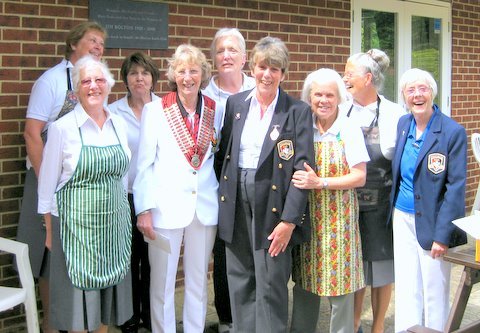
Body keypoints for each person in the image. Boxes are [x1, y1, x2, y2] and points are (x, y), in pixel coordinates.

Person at [215, 36, 314, 333]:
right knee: (241, 278)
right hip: (235, 201)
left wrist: (289, 221)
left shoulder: (297, 111)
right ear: (253, 68)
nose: (267, 74)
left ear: (283, 74)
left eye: (274, 68)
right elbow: (224, 158)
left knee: (270, 282)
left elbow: (303, 170)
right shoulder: (235, 104)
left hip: (273, 206)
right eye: (262, 67)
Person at [17, 21, 107, 333]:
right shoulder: (51, 81)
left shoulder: (94, 84)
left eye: (101, 45)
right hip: (49, 182)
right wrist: (50, 183)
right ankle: (51, 325)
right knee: (47, 255)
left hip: (81, 185)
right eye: (93, 41)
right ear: (73, 44)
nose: (98, 48)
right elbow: (32, 135)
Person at [37, 55, 132, 332]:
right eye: (86, 81)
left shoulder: (119, 125)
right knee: (80, 312)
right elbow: (46, 187)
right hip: (75, 232)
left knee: (104, 307)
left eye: (99, 80)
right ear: (76, 89)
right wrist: (49, 232)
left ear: (109, 86)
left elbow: (122, 177)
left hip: (112, 231)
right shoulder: (61, 129)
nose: (93, 86)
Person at [133, 44, 219, 333]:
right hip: (163, 210)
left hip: (204, 208)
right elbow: (143, 165)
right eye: (181, 71)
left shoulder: (214, 109)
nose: (188, 77)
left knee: (198, 283)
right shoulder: (155, 110)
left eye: (194, 70)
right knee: (162, 285)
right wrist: (143, 210)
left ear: (203, 74)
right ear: (172, 75)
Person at [290, 68, 369, 333]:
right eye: (318, 95)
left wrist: (320, 182)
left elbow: (359, 176)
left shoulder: (348, 128)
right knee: (306, 286)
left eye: (329, 95)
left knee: (341, 290)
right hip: (309, 223)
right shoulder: (303, 127)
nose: (323, 100)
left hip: (340, 225)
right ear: (309, 97)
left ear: (339, 98)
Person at [390, 68, 467, 332]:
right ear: (404, 96)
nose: (417, 95)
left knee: (435, 289)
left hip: (433, 224)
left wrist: (443, 235)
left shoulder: (452, 132)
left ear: (432, 92)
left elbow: (456, 188)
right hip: (402, 218)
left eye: (422, 88)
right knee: (407, 284)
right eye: (410, 90)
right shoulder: (403, 124)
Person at [342, 49, 405, 333]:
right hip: (348, 202)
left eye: (349, 74)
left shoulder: (394, 113)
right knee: (356, 269)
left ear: (368, 78)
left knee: (381, 270)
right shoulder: (342, 110)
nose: (345, 78)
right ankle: (353, 324)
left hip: (382, 207)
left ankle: (378, 327)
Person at [202, 27, 255, 333]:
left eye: (233, 50)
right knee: (222, 254)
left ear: (244, 57)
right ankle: (227, 319)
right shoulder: (203, 95)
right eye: (220, 50)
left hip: (250, 181)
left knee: (251, 250)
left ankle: (252, 314)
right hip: (214, 183)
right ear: (213, 58)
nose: (226, 56)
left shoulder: (257, 90)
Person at [109, 52, 160, 333]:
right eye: (133, 73)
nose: (139, 78)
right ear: (125, 80)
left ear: (153, 78)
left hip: (155, 198)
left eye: (145, 73)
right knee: (129, 259)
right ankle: (129, 316)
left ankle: (151, 316)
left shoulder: (166, 109)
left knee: (153, 260)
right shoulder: (114, 111)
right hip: (124, 196)